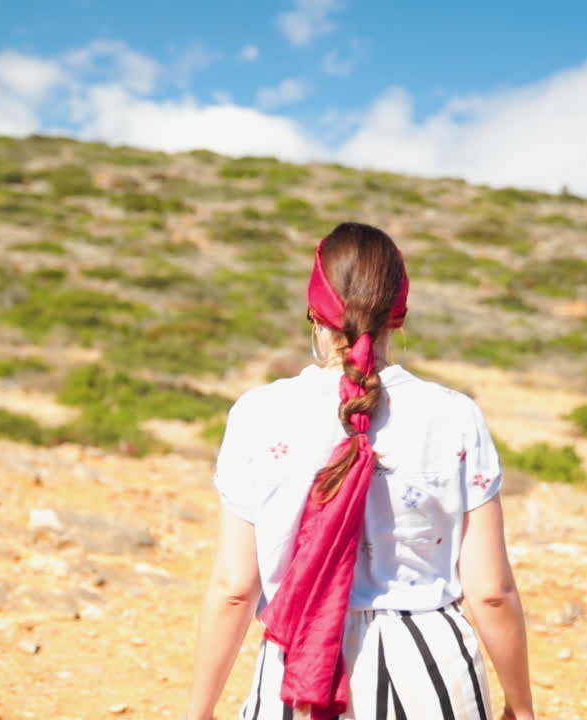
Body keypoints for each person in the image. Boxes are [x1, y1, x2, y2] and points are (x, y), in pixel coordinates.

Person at [187, 222, 534, 720]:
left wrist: (198, 712)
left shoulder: (258, 413)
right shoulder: (456, 416)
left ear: (313, 311)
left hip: (298, 673)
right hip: (434, 671)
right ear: (400, 316)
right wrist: (521, 707)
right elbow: (492, 592)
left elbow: (235, 588)